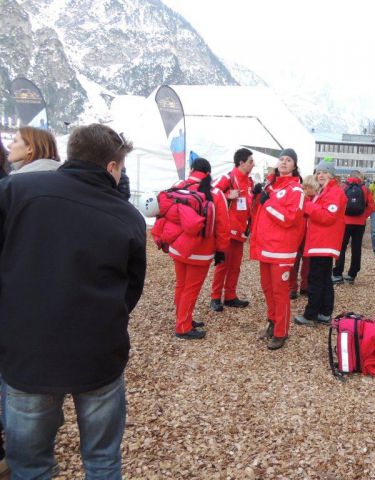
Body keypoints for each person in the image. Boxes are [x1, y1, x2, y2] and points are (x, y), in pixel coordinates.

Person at [0, 124, 146, 478]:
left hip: (27, 353)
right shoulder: (127, 216)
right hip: (98, 353)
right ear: (112, 167)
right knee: (102, 459)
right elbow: (131, 288)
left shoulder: (16, 190)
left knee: (30, 465)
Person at [154, 158, 230, 339]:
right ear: (209, 173)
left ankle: (183, 317)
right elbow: (222, 226)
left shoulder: (179, 185)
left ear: (192, 169)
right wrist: (222, 250)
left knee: (181, 285)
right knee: (191, 288)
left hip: (178, 246)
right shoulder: (216, 193)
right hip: (201, 250)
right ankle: (183, 327)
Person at [250, 148, 305, 350]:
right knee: (267, 289)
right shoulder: (271, 186)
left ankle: (281, 332)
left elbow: (290, 218)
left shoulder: (296, 191)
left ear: (294, 165)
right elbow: (259, 214)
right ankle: (272, 323)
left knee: (280, 292)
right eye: (281, 159)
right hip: (265, 247)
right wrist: (257, 196)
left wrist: (268, 202)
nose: (284, 162)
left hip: (281, 249)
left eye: (288, 159)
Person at [294, 159, 346, 326]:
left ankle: (311, 315)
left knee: (316, 279)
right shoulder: (324, 192)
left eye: (325, 172)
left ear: (332, 175)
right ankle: (324, 312)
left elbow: (327, 216)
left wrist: (307, 205)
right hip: (321, 242)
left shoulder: (335, 192)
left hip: (323, 243)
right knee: (324, 279)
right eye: (319, 172)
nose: (321, 175)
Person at [210, 148, 255, 312]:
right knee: (222, 265)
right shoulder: (227, 178)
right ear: (241, 162)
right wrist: (227, 195)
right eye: (251, 161)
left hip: (241, 230)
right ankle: (215, 297)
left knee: (235, 266)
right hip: (226, 230)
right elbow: (210, 192)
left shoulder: (250, 182)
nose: (253, 164)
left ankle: (230, 296)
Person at [332, 170, 375, 285]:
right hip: (360, 223)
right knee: (356, 248)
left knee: (341, 247)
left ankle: (337, 274)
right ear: (360, 177)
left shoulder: (343, 187)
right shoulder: (365, 189)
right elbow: (371, 206)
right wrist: (363, 216)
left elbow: (337, 204)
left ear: (349, 176)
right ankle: (352, 274)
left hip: (345, 222)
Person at [289, 175, 319, 299]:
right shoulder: (302, 198)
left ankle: (303, 286)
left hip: (307, 234)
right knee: (295, 262)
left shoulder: (313, 198)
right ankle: (293, 287)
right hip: (298, 234)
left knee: (306, 262)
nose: (316, 191)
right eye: (314, 188)